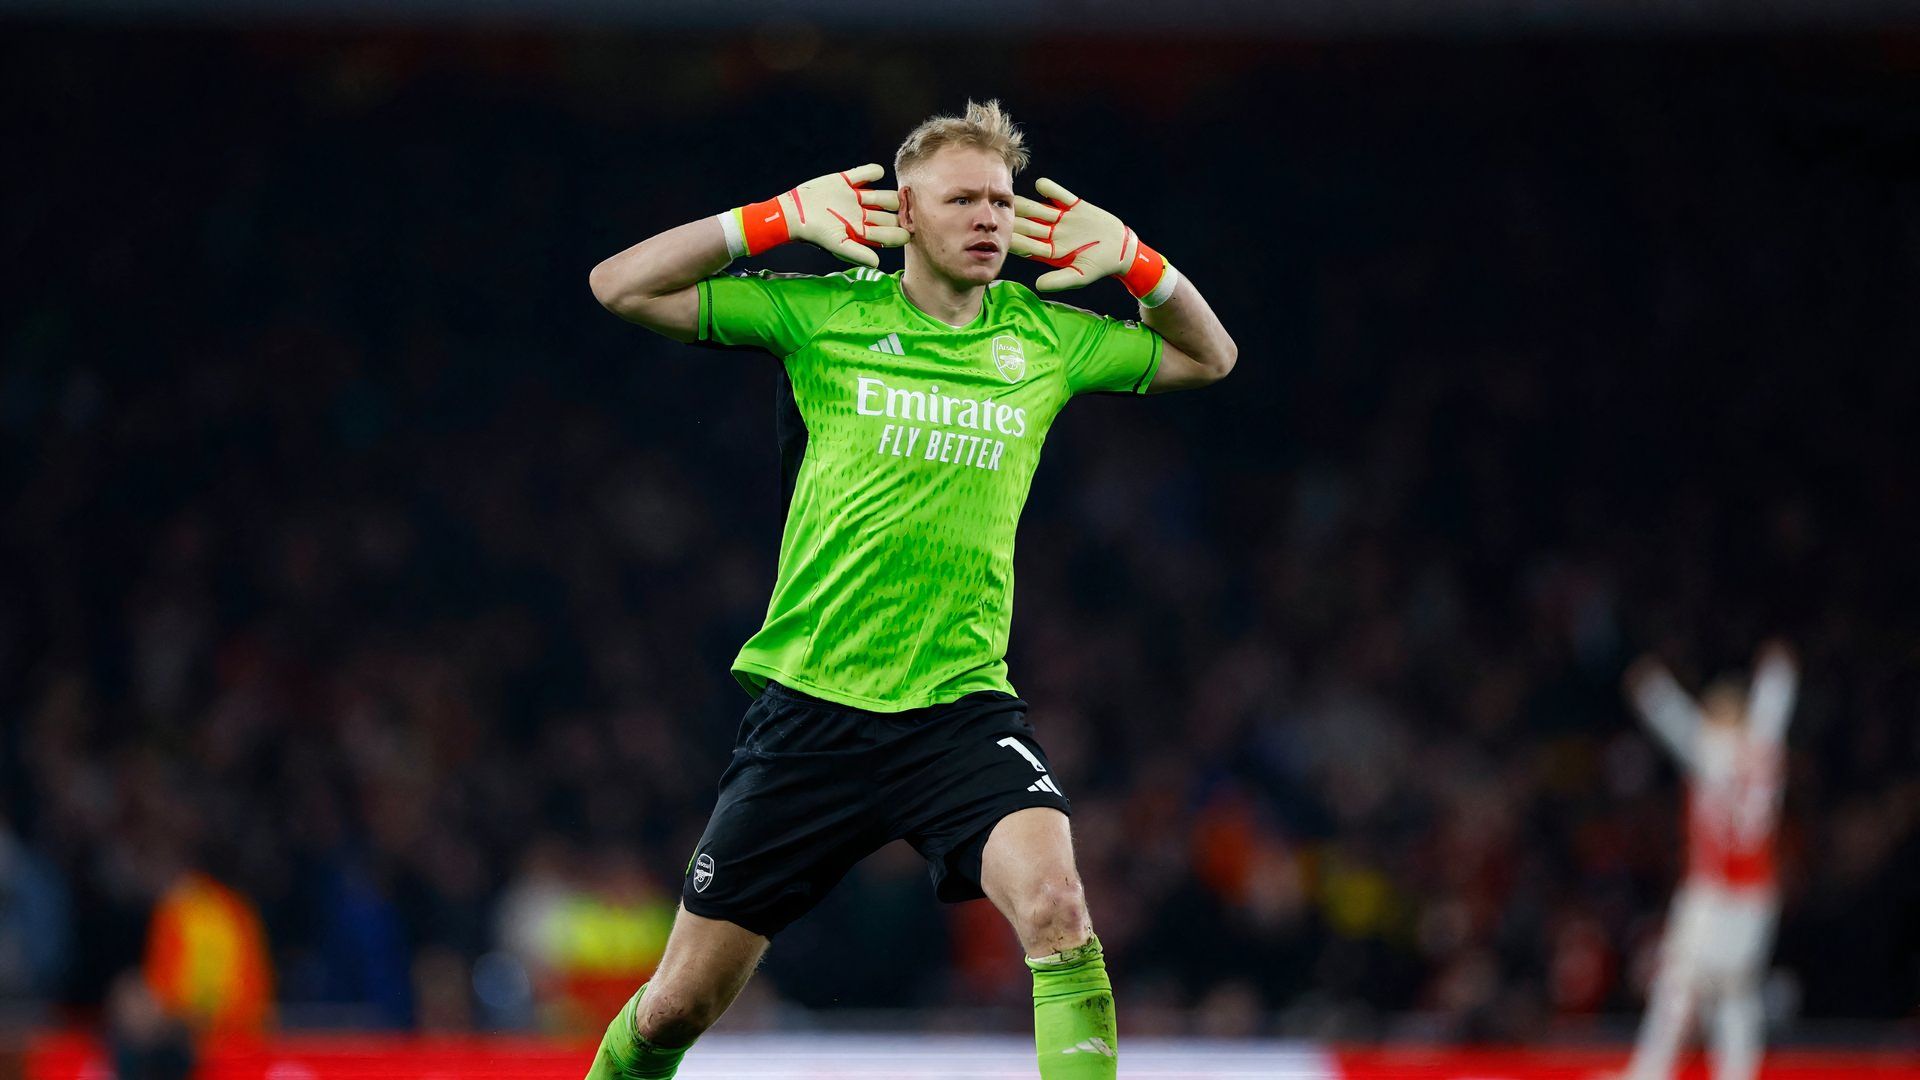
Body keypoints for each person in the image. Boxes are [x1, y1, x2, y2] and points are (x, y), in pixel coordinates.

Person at [583, 99, 1236, 1079]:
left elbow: (1210, 357)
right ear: (907, 216)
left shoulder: (1044, 337)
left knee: (1058, 907)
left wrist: (1144, 264)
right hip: (811, 713)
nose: (987, 218)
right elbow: (618, 287)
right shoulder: (827, 312)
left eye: (1001, 201)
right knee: (678, 1004)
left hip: (958, 713)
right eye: (960, 198)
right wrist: (769, 222)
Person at [1617, 639, 1798, 1080]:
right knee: (1734, 990)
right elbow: (1772, 712)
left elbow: (1676, 721)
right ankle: (1736, 1070)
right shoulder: (1764, 753)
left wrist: (1652, 688)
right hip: (1754, 893)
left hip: (1715, 890)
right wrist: (1778, 676)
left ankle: (1652, 1070)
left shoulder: (1713, 751)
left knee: (1682, 982)